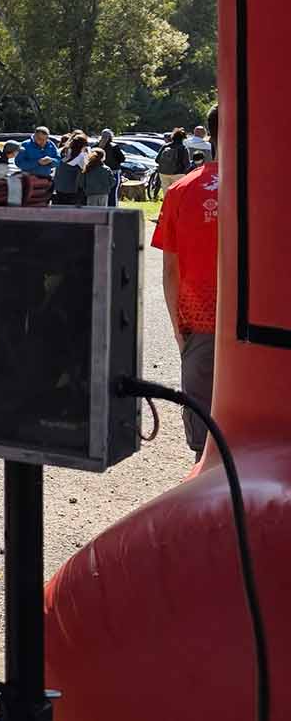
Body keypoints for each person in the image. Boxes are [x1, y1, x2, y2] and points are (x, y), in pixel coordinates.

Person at [152, 106, 219, 458]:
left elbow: (169, 269)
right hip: (264, 324)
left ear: (209, 136)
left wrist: (179, 329)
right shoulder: (271, 185)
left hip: (201, 320)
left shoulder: (181, 189)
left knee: (205, 437)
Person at [52, 132, 89, 206]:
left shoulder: (61, 151)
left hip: (58, 186)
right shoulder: (80, 156)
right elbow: (85, 168)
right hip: (72, 189)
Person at [156, 128, 193, 196]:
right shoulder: (183, 148)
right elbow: (186, 164)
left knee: (166, 194)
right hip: (178, 174)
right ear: (183, 139)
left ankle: (167, 206)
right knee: (177, 194)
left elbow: (157, 160)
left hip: (163, 173)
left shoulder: (165, 146)